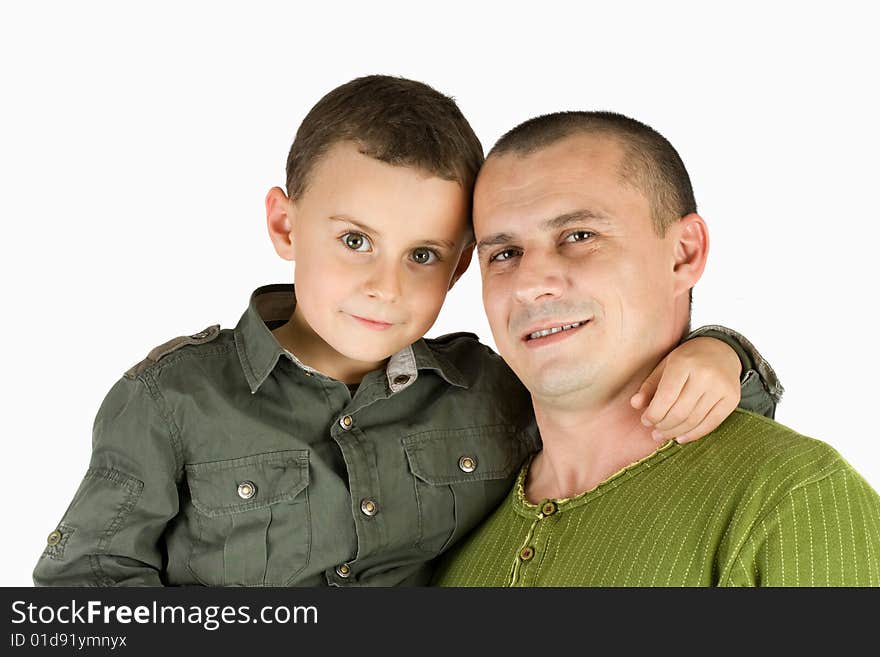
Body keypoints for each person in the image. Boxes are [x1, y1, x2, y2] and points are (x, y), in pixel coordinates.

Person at [33, 78, 777, 587]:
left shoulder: (488, 389)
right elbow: (86, 592)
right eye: (355, 240)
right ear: (283, 224)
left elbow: (623, 410)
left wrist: (720, 353)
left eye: (421, 255)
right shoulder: (171, 399)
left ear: (458, 267)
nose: (385, 287)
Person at [432, 111, 880, 587]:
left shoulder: (793, 499)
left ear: (684, 253)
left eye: (580, 236)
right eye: (504, 254)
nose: (531, 284)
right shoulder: (446, 524)